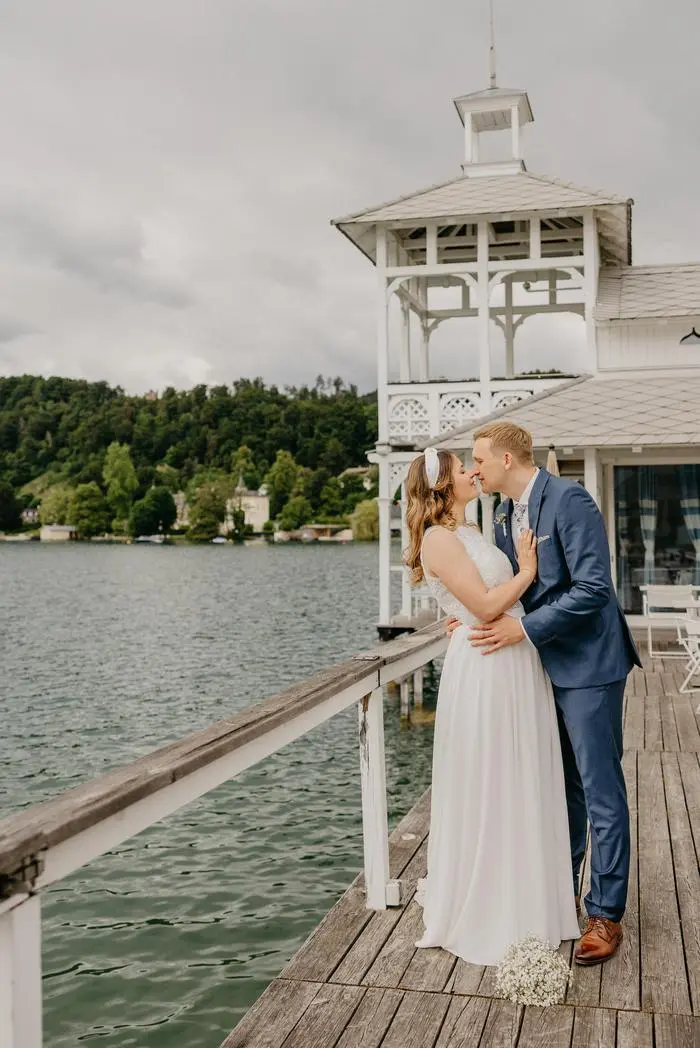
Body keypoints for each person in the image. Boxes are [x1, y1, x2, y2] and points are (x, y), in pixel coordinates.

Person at [457, 421, 641, 966]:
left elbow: (593, 588)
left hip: (589, 666)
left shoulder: (570, 499)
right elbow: (511, 587)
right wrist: (470, 616)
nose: (474, 469)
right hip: (543, 669)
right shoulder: (503, 514)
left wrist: (525, 630)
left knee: (600, 789)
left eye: (479, 460)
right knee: (562, 787)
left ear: (507, 460)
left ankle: (606, 915)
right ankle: (562, 892)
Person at [405, 446, 580, 966]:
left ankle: (531, 896)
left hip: (513, 657)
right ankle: (492, 903)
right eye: (463, 469)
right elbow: (483, 604)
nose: (472, 472)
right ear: (442, 485)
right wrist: (526, 572)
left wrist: (460, 610)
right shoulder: (437, 539)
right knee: (492, 775)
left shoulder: (473, 532)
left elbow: (474, 599)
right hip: (484, 667)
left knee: (522, 772)